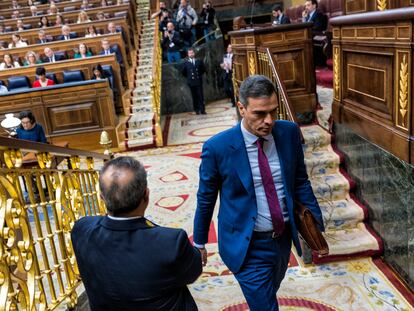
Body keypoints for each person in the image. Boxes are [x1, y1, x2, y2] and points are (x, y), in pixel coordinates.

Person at [193, 75, 324, 311]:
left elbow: (300, 180)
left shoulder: (289, 133)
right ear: (242, 108)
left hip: (283, 240)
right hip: (246, 245)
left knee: (267, 293)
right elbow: (206, 198)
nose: (269, 120)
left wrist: (314, 221)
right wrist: (200, 242)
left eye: (273, 111)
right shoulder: (217, 147)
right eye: (260, 114)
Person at [71, 156, 202, 311]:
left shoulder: (81, 229)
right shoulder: (171, 242)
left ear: (102, 199)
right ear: (146, 196)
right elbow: (192, 273)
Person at [182, 48, 206, 115]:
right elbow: (183, 72)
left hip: (198, 81)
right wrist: (189, 78)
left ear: (194, 53)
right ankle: (197, 110)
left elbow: (203, 69)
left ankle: (202, 110)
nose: (191, 54)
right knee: (194, 96)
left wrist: (199, 76)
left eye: (192, 53)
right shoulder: (186, 63)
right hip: (191, 82)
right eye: (189, 53)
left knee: (200, 96)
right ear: (188, 54)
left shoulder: (199, 61)